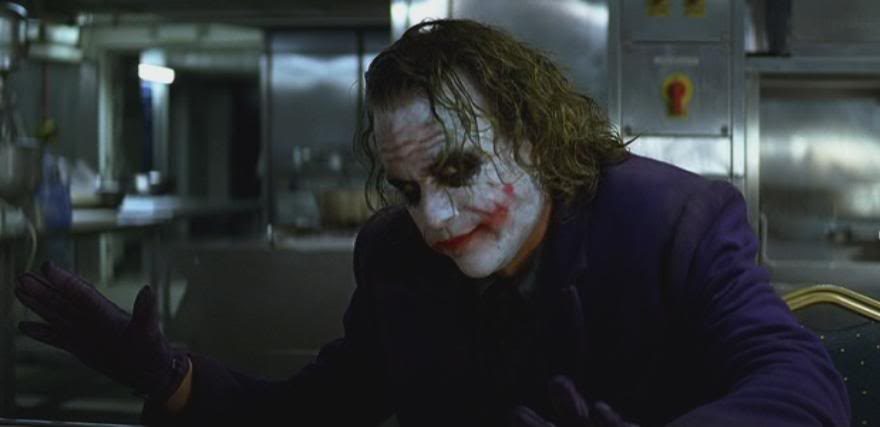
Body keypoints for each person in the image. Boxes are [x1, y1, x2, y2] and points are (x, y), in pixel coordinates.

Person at [15, 19, 849, 427]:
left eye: (457, 171)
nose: (434, 217)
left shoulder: (673, 222)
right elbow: (319, 410)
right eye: (408, 189)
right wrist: (168, 376)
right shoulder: (394, 257)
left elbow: (803, 384)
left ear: (534, 135)